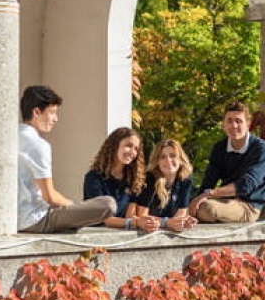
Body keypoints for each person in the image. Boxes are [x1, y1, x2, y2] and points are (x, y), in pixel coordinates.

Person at [18, 85, 115, 233]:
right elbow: (49, 197)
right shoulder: (38, 145)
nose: (55, 119)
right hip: (36, 219)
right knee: (108, 204)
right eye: (52, 113)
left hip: (13, 218)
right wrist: (73, 207)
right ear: (36, 112)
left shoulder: (10, 136)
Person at [188, 101, 265, 223]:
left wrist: (210, 194)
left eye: (238, 121)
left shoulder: (261, 149)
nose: (233, 125)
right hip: (223, 201)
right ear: (223, 125)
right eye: (229, 121)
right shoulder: (220, 148)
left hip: (248, 206)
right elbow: (209, 180)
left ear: (248, 124)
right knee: (186, 206)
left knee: (207, 209)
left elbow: (246, 185)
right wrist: (195, 201)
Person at [83, 127, 158, 232]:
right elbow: (104, 219)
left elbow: (130, 216)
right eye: (128, 146)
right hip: (94, 236)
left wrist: (147, 221)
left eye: (136, 149)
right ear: (114, 145)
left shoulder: (133, 179)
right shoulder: (93, 177)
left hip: (121, 236)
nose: (132, 152)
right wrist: (135, 222)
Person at [127, 139, 198, 232]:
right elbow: (142, 216)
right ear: (157, 162)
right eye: (162, 157)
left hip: (164, 231)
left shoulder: (185, 180)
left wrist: (183, 222)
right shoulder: (149, 179)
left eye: (173, 156)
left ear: (180, 159)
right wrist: (167, 222)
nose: (168, 160)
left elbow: (181, 214)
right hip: (140, 228)